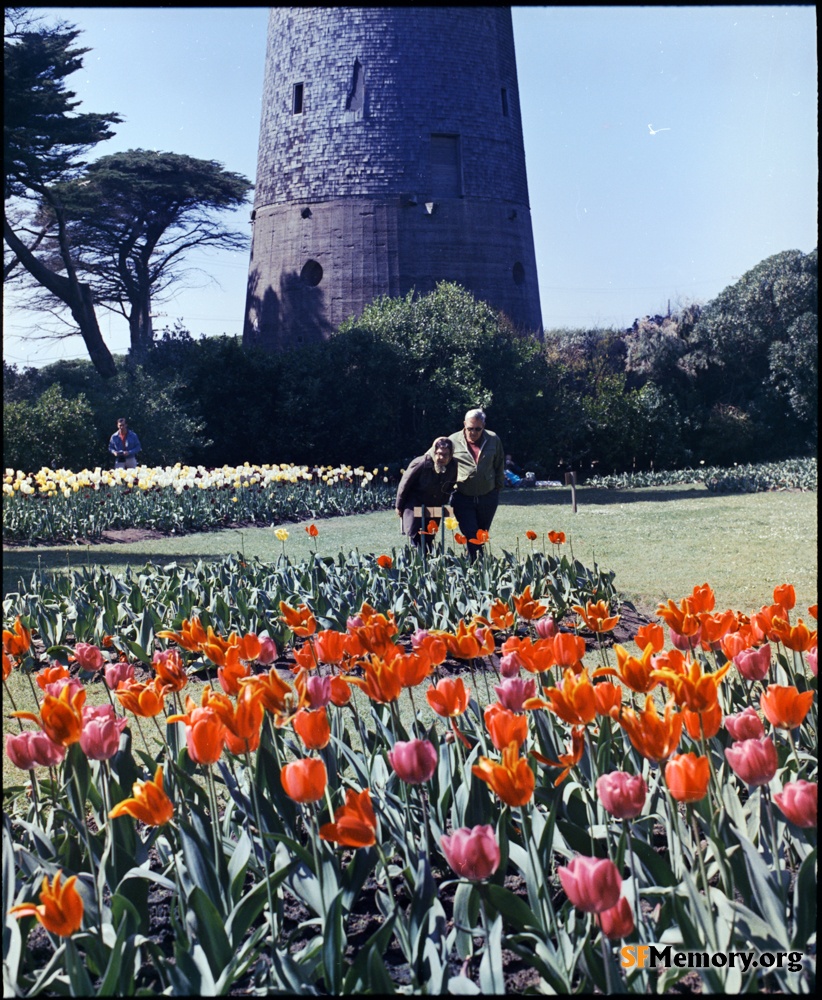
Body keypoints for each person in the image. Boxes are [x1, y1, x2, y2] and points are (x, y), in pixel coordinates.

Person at [449, 408, 505, 561]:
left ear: (484, 426)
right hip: (462, 496)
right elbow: (436, 456)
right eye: (470, 428)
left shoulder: (493, 439)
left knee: (481, 533)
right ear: (464, 424)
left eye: (477, 429)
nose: (473, 432)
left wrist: (498, 487)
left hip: (488, 496)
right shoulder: (452, 440)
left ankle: (476, 565)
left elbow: (499, 463)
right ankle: (476, 564)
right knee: (471, 533)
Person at [395, 437, 457, 550]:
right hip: (414, 505)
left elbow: (450, 485)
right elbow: (404, 485)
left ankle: (429, 565)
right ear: (434, 452)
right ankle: (418, 564)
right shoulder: (422, 463)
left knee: (429, 539)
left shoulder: (453, 466)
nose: (441, 458)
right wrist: (399, 506)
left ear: (451, 454)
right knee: (417, 540)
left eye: (445, 455)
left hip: (434, 506)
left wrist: (443, 502)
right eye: (438, 454)